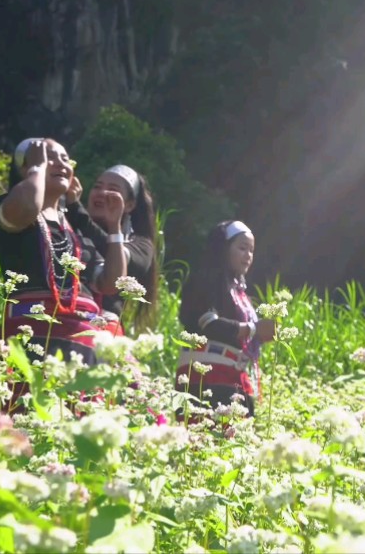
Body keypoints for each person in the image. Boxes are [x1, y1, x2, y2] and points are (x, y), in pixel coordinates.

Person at [0, 138, 129, 367]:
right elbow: (27, 206)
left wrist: (114, 226)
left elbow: (112, 283)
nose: (62, 164)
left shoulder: (73, 232)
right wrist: (36, 167)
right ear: (27, 166)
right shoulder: (12, 209)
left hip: (81, 346)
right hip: (32, 337)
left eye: (66, 159)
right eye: (49, 157)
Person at [177, 220, 276, 417]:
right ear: (223, 249)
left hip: (233, 376)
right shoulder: (205, 279)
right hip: (206, 376)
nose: (248, 256)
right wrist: (254, 329)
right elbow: (208, 324)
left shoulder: (238, 290)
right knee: (208, 440)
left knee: (236, 441)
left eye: (251, 250)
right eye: (242, 248)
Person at [64, 164, 158, 334]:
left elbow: (114, 253)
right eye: (97, 187)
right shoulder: (67, 227)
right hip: (61, 314)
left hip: (102, 328)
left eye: (113, 190)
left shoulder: (141, 245)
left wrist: (78, 212)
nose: (102, 193)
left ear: (129, 205)